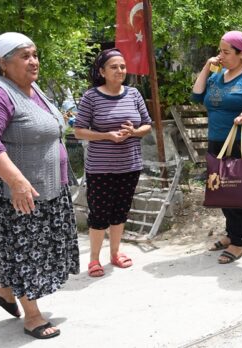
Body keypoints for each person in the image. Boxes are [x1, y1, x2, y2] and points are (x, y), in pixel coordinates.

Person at [0, 32, 79, 339]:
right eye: (24, 56)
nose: (33, 61)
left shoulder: (32, 90)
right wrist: (17, 182)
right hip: (13, 191)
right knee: (24, 251)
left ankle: (3, 290)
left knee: (36, 250)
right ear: (3, 64)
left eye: (34, 54)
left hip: (45, 187)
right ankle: (32, 317)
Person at [191, 30, 242, 264]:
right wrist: (207, 67)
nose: (221, 56)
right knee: (221, 188)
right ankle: (230, 233)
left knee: (237, 189)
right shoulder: (217, 76)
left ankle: (237, 243)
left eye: (226, 52)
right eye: (220, 51)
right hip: (217, 139)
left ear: (241, 53)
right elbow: (197, 96)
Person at [73, 48, 152, 277]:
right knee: (99, 214)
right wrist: (107, 135)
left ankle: (115, 253)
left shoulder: (134, 94)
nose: (120, 70)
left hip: (130, 164)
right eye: (114, 67)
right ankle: (94, 260)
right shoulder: (91, 97)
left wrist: (134, 132)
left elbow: (147, 125)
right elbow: (78, 131)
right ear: (102, 72)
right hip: (101, 167)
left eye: (123, 66)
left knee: (120, 211)